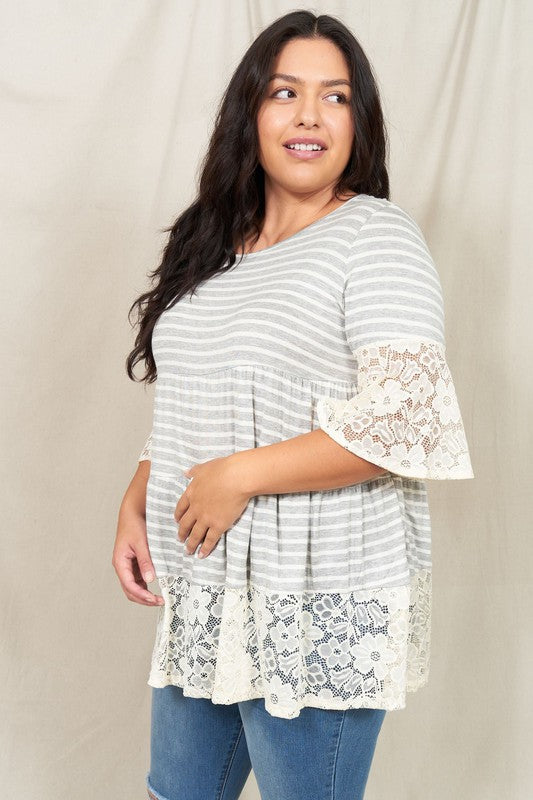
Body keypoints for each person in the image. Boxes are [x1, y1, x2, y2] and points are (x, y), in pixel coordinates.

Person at [113, 10, 474, 800]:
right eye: (285, 92)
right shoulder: (211, 243)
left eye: (335, 96)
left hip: (312, 596)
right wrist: (139, 498)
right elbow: (191, 391)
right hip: (206, 591)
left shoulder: (372, 237)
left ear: (359, 122)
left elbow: (408, 420)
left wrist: (238, 475)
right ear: (251, 112)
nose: (309, 114)